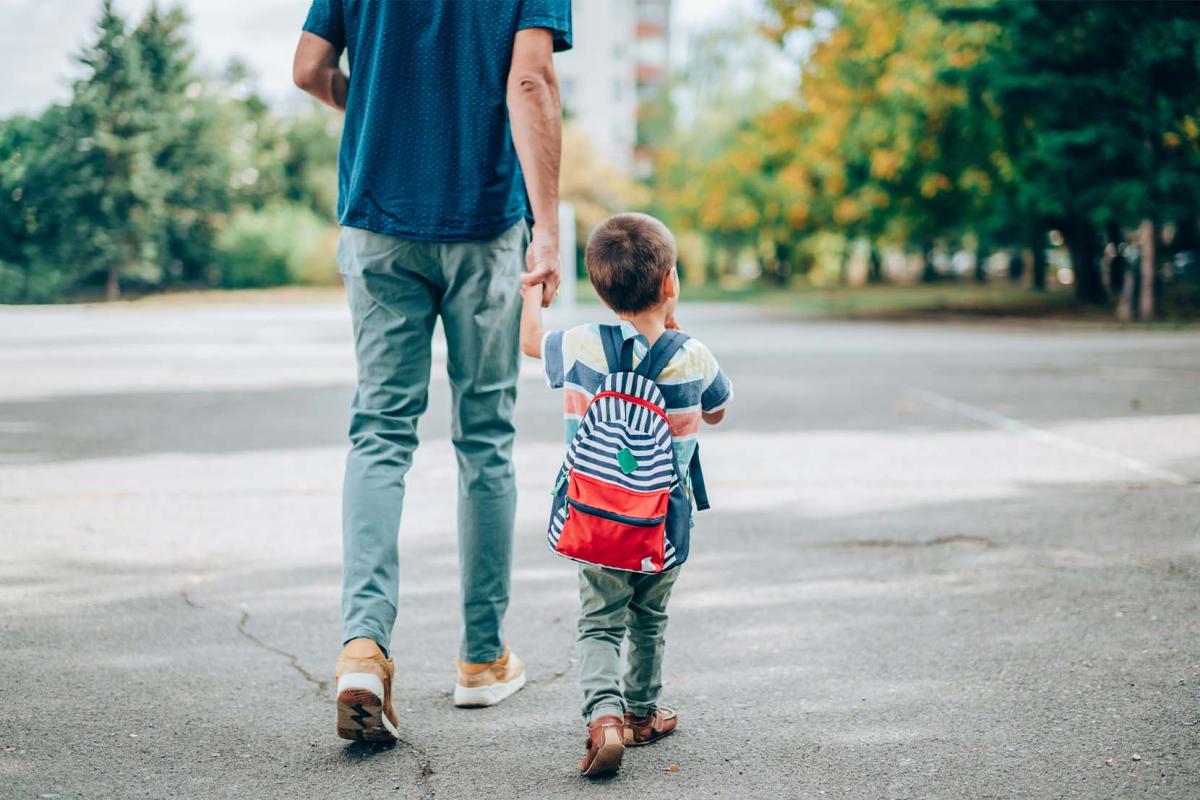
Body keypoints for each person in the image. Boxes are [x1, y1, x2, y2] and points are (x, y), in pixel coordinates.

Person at [291, 0, 572, 743]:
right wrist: (547, 229)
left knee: (381, 434)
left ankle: (363, 646)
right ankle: (481, 660)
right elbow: (532, 82)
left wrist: (378, 108)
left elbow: (309, 69)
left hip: (378, 215)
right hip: (483, 222)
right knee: (483, 437)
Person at [519, 213, 733, 776]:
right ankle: (641, 714)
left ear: (599, 287)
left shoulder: (582, 346)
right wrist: (674, 329)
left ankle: (604, 719)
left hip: (594, 522)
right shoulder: (694, 356)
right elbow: (715, 410)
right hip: (662, 524)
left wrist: (533, 291)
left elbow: (528, 343)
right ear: (670, 284)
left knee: (599, 622)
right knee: (649, 618)